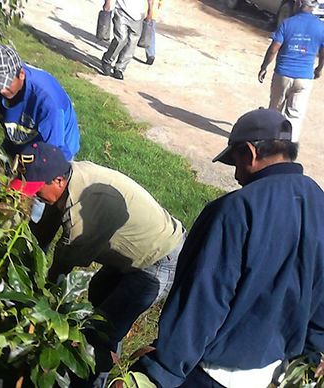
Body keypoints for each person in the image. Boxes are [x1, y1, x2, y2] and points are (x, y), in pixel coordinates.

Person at [132, 108, 324, 387]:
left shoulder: (234, 210)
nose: (236, 176)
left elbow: (204, 298)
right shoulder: (319, 203)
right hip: (272, 372)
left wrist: (163, 369)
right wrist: (316, 347)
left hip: (212, 373)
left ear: (250, 152)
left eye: (235, 162)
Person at [10, 141, 185, 387]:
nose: (34, 195)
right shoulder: (65, 183)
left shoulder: (84, 207)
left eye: (37, 188)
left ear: (58, 180)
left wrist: (42, 303)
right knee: (99, 296)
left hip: (157, 258)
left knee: (99, 333)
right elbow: (43, 233)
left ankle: (94, 378)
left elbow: (63, 267)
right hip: (128, 252)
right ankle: (107, 354)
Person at [0, 44, 80, 161]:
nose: (1, 90)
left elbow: (51, 155)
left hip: (57, 150)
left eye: (5, 83)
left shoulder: (47, 100)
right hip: (19, 139)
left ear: (21, 74)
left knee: (36, 175)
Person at [258, 0, 324, 142]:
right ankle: (288, 147)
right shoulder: (321, 27)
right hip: (304, 78)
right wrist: (319, 68)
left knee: (275, 111)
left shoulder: (287, 23)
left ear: (299, 3)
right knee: (294, 115)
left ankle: (269, 142)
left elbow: (274, 48)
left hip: (283, 74)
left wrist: (264, 67)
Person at [101, 0, 153, 80]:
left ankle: (120, 68)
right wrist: (107, 3)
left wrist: (150, 10)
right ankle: (107, 60)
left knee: (132, 43)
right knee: (121, 38)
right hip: (121, 10)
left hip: (139, 15)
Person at [144, 0, 163, 66]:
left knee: (133, 33)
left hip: (141, 10)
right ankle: (151, 54)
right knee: (150, 34)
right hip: (152, 12)